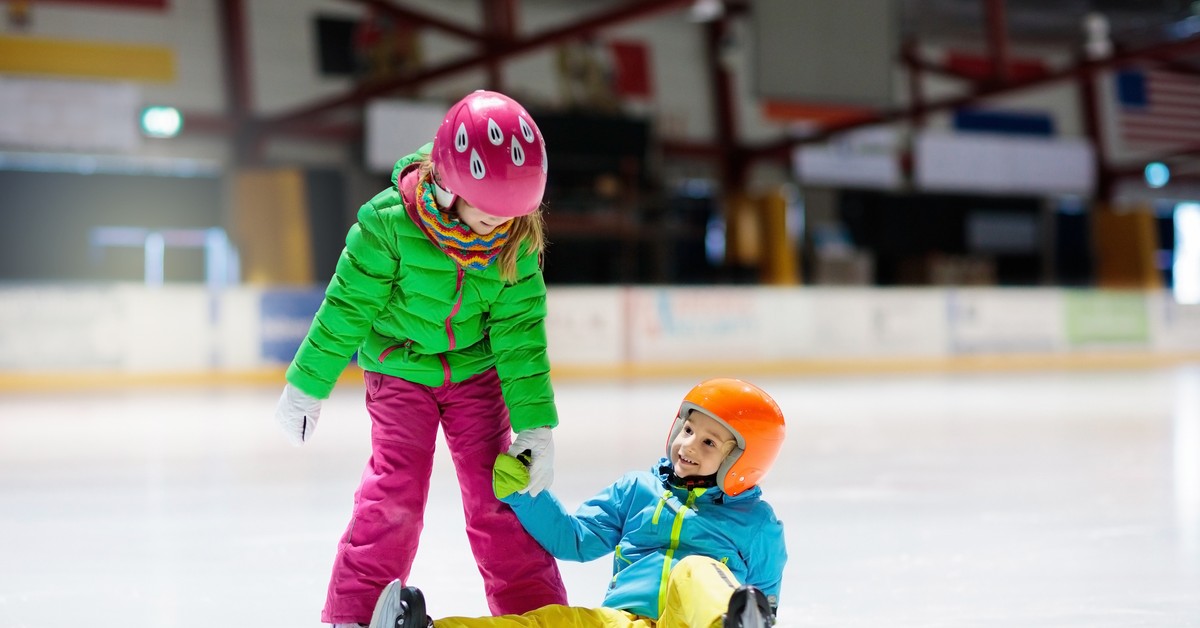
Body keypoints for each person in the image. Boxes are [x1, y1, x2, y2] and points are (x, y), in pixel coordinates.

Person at [273, 90, 568, 627]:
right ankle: (357, 614)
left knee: (503, 495)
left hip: (475, 375)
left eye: (510, 216)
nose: (499, 227)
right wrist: (307, 385)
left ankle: (537, 615)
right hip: (399, 371)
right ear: (450, 186)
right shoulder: (388, 225)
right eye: (488, 216)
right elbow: (347, 308)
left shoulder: (516, 238)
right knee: (396, 493)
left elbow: (520, 334)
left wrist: (534, 426)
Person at [368, 377, 788, 628]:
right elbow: (575, 538)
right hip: (623, 621)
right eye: (688, 429)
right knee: (553, 619)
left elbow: (763, 601)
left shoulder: (756, 523)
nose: (688, 445)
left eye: (710, 442)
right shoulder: (638, 490)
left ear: (743, 461)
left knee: (695, 570)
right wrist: (525, 493)